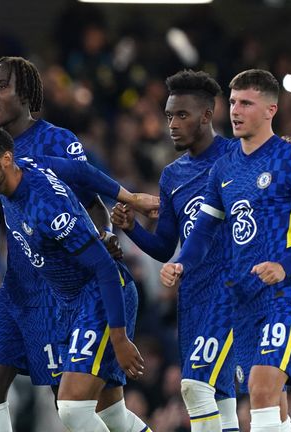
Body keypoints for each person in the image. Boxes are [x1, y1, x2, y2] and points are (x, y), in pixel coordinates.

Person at [0, 56, 152, 432]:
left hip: (67, 290)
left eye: (0, 85)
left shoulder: (57, 141)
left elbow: (91, 201)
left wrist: (103, 236)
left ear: (24, 94)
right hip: (20, 288)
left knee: (89, 408)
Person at [160, 69, 291, 432]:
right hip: (242, 301)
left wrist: (283, 266)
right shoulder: (223, 168)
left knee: (261, 388)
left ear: (270, 109)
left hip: (284, 295)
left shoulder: (290, 160)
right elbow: (203, 233)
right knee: (274, 405)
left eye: (247, 103)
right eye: (234, 102)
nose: (236, 110)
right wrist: (180, 263)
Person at [111, 70, 240, 432]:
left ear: (206, 115)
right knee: (221, 399)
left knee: (194, 387)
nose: (172, 124)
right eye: (169, 115)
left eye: (181, 115)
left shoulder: (237, 156)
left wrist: (281, 150)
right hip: (193, 297)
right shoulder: (172, 176)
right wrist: (132, 229)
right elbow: (165, 246)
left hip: (230, 291)